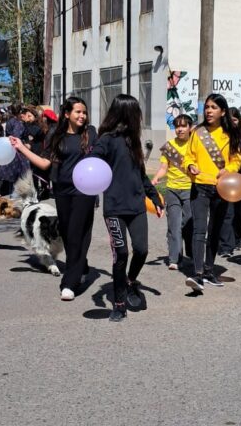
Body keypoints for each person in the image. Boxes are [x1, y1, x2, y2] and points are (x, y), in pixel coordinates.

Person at [82, 94, 164, 322]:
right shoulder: (106, 140)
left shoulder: (134, 140)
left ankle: (130, 281)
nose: (139, 116)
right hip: (115, 209)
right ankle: (118, 304)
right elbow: (93, 163)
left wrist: (155, 198)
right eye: (136, 112)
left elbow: (141, 174)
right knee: (121, 254)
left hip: (136, 206)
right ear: (126, 113)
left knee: (142, 250)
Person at [9, 97, 98, 302]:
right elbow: (44, 163)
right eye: (78, 112)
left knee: (77, 232)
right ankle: (81, 264)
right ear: (66, 114)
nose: (82, 116)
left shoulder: (91, 133)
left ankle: (69, 283)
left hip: (85, 191)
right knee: (67, 234)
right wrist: (21, 148)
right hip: (62, 191)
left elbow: (102, 156)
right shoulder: (56, 135)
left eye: (84, 112)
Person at [183, 93, 241, 293]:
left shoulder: (231, 133)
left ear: (223, 111)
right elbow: (188, 156)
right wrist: (191, 165)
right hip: (200, 185)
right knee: (199, 229)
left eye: (213, 108)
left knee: (216, 229)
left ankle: (210, 270)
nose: (209, 111)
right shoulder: (197, 132)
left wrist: (230, 170)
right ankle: (198, 273)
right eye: (207, 107)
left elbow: (237, 159)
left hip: (221, 186)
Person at [151, 114, 194, 270]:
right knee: (173, 224)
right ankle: (174, 258)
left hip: (191, 189)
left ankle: (190, 252)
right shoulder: (169, 146)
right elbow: (164, 168)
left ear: (190, 128)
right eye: (177, 126)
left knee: (189, 222)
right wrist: (155, 179)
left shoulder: (195, 145)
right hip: (172, 190)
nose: (180, 129)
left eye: (183, 126)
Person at [218, 107, 241, 258]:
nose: (232, 123)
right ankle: (226, 245)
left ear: (239, 121)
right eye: (229, 120)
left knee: (240, 212)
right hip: (226, 178)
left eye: (235, 119)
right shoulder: (221, 137)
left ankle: (236, 239)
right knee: (227, 212)